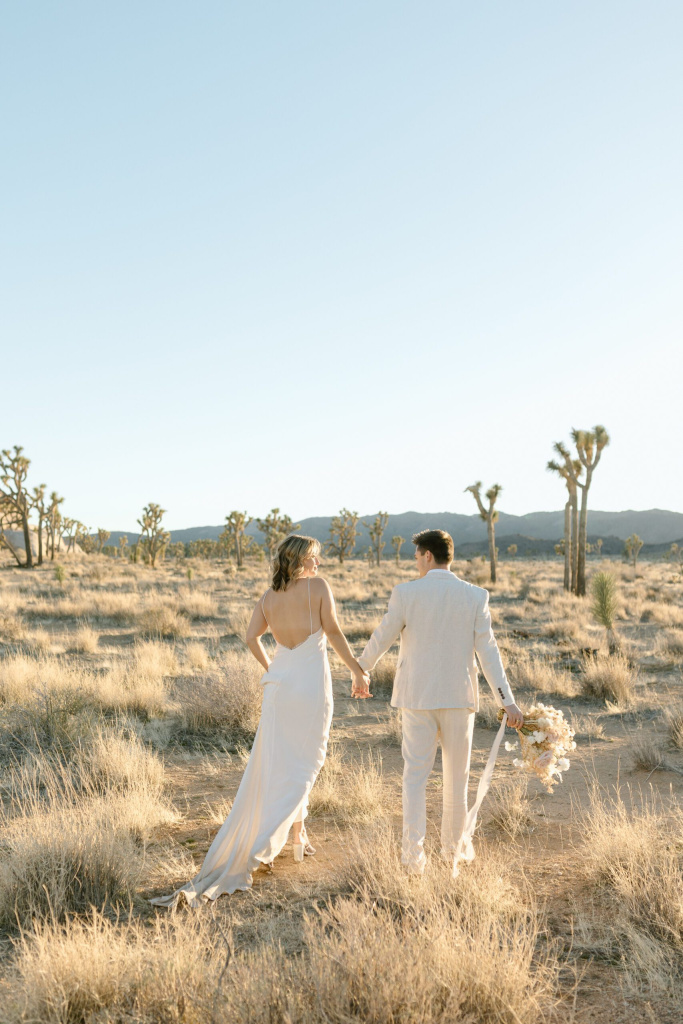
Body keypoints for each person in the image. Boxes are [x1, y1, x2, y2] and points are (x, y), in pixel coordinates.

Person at [151, 534, 370, 908]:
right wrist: (359, 671)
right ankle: (268, 840)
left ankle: (298, 836)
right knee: (307, 762)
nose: (318, 564)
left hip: (280, 684)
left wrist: (273, 667)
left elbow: (251, 636)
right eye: (314, 558)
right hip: (310, 685)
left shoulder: (269, 597)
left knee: (282, 762)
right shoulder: (317, 588)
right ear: (300, 560)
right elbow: (332, 631)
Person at [354, 529, 523, 875]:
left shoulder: (405, 594)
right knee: (456, 779)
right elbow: (488, 653)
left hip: (416, 698)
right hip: (459, 699)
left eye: (417, 556)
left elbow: (381, 636)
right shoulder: (475, 596)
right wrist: (507, 701)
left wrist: (361, 670)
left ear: (428, 555)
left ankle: (413, 859)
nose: (415, 562)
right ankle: (453, 855)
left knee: (414, 777)